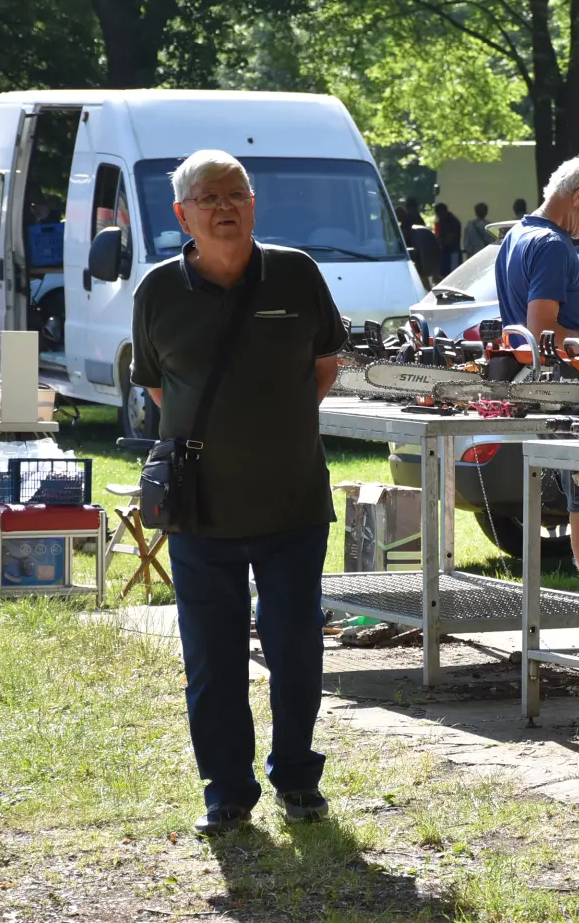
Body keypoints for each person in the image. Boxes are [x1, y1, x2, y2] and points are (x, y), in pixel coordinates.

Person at [130, 149, 347, 835]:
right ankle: (225, 792)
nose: (224, 207)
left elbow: (324, 364)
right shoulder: (158, 292)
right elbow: (162, 389)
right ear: (182, 214)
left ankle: (297, 779)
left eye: (236, 195)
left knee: (295, 652)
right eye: (208, 198)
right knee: (213, 662)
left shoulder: (296, 273)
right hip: (202, 512)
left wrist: (272, 430)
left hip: (293, 505)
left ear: (254, 205)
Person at [493, 157, 579, 642]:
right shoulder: (553, 245)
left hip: (536, 385)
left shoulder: (516, 236)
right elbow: (542, 328)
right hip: (565, 386)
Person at [434, 202, 463, 275]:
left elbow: (450, 239)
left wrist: (440, 240)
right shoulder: (441, 221)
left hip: (453, 252)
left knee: (453, 274)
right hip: (445, 252)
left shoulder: (453, 222)